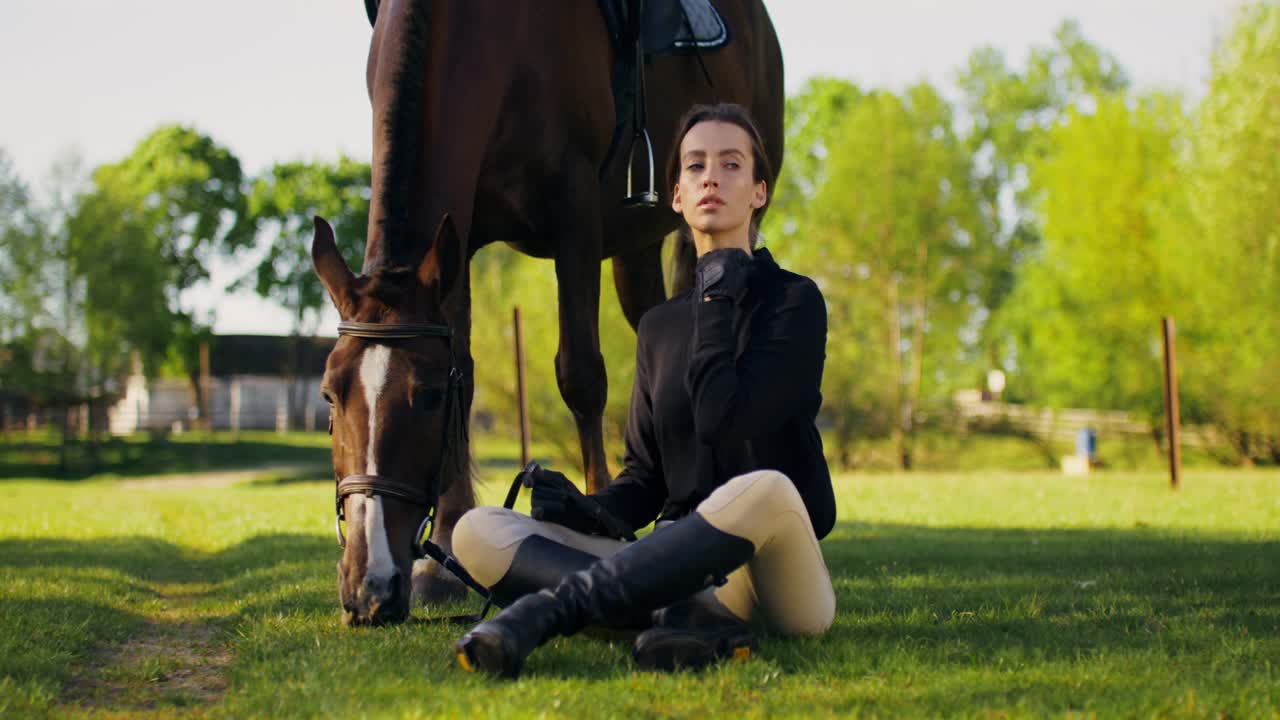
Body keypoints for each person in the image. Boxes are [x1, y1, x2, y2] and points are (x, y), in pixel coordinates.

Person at [451, 103, 836, 678]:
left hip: (771, 568)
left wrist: (718, 294)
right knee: (477, 531)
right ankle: (685, 616)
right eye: (695, 165)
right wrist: (589, 509)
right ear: (676, 195)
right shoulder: (659, 325)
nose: (712, 177)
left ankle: (550, 611)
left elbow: (726, 428)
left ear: (758, 192)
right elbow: (646, 480)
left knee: (765, 489)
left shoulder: (794, 302)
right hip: (672, 560)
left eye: (731, 165)